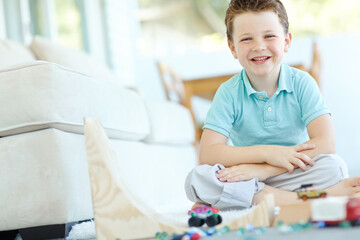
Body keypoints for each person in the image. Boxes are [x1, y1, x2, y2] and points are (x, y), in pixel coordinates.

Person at [185, 0, 360, 210]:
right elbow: (208, 154)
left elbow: (326, 142)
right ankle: (309, 198)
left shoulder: (302, 82)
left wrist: (266, 170)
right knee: (199, 178)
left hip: (288, 172)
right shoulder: (228, 92)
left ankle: (247, 199)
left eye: (269, 36)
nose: (259, 46)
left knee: (334, 166)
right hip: (247, 175)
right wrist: (267, 154)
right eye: (247, 39)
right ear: (233, 48)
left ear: (286, 41)